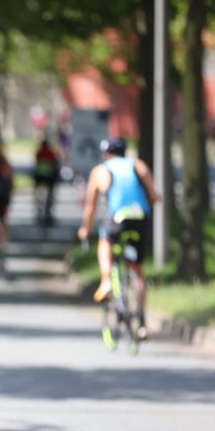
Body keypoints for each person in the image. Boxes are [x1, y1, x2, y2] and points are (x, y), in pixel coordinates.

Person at [78, 137, 161, 338]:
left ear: (106, 153)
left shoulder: (101, 170)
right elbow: (154, 196)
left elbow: (91, 205)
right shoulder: (138, 165)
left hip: (117, 219)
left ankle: (106, 281)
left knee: (105, 242)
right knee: (138, 270)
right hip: (140, 218)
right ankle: (142, 322)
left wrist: (85, 229)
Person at [33, 137, 60, 226]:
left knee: (37, 192)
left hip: (40, 176)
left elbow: (36, 163)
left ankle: (38, 206)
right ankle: (48, 208)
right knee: (50, 193)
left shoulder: (39, 152)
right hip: (49, 176)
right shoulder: (51, 153)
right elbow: (55, 164)